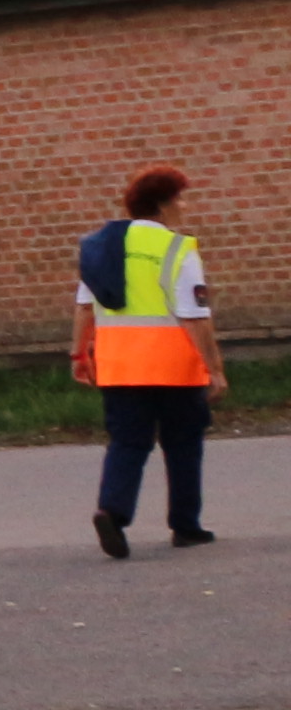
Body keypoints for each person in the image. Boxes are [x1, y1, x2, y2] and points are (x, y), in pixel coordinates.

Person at [76, 164, 227, 555]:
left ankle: (112, 512)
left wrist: (79, 354)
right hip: (175, 367)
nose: (183, 207)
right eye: (180, 199)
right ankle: (186, 526)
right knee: (183, 444)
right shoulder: (177, 249)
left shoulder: (104, 248)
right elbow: (194, 317)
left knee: (127, 442)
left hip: (119, 366)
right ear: (162, 205)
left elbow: (84, 307)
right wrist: (214, 368)